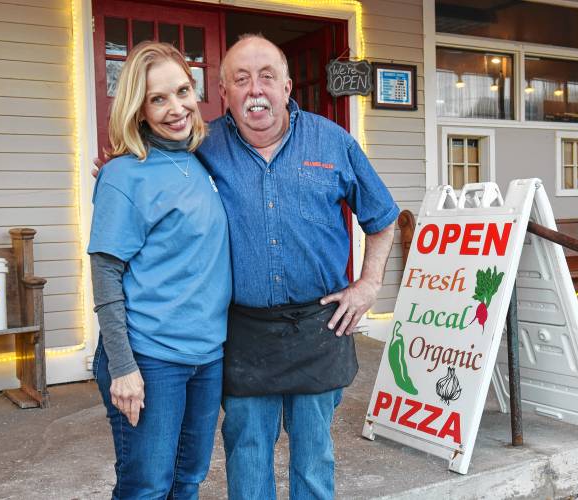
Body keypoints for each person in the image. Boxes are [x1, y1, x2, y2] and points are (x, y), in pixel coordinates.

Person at [195, 34, 398, 499]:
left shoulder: (333, 142)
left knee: (313, 459)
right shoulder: (202, 147)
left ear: (288, 87)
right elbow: (155, 177)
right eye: (241, 80)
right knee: (246, 452)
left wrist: (368, 286)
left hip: (318, 326)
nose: (255, 90)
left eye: (267, 76)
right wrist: (124, 168)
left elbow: (383, 219)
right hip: (244, 331)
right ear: (224, 92)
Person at [87, 41, 231, 499]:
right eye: (158, 98)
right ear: (138, 108)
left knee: (188, 480)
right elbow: (106, 275)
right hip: (150, 358)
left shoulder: (202, 160)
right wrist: (124, 369)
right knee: (146, 487)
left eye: (183, 91)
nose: (176, 108)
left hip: (207, 355)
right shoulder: (124, 175)